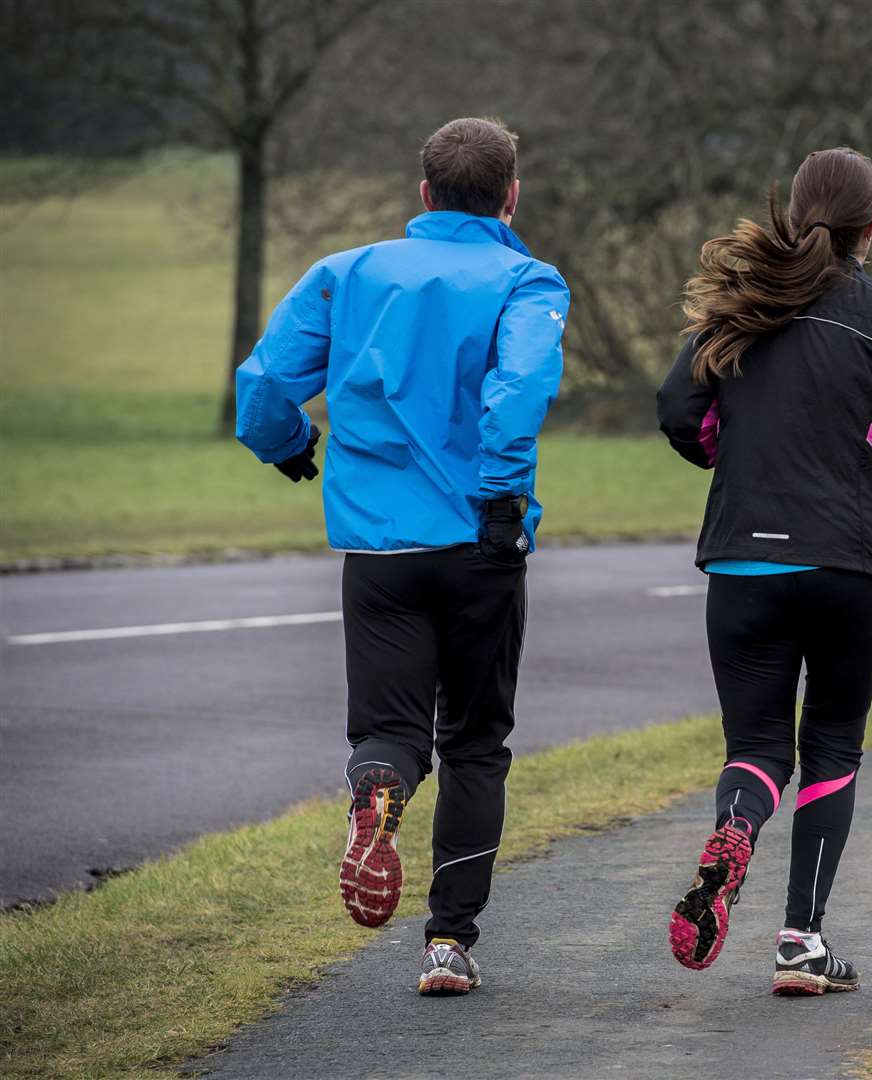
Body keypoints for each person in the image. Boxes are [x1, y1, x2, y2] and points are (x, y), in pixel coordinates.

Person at [234, 117, 568, 996]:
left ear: (423, 193)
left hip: (378, 549)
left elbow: (264, 384)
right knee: (475, 742)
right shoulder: (524, 280)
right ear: (510, 195)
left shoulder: (346, 274)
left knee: (389, 730)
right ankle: (449, 942)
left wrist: (285, 445)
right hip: (478, 543)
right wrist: (499, 496)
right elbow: (520, 386)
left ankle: (380, 782)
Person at [656, 147, 872, 996]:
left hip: (743, 560)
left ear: (794, 211)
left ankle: (737, 831)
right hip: (849, 564)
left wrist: (726, 450)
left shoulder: (737, 303)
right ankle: (800, 943)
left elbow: (680, 410)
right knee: (830, 746)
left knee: (754, 746)